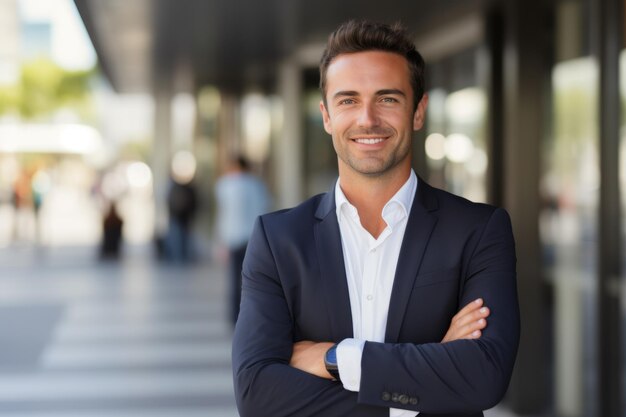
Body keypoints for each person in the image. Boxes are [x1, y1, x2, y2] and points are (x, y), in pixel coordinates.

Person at [232, 20, 519, 417]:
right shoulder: (277, 240)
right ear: (327, 115)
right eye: (348, 100)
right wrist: (425, 379)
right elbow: (256, 394)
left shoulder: (479, 231)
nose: (367, 119)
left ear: (418, 112)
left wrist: (337, 359)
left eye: (387, 99)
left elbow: (484, 376)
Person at [214, 155, 271, 326]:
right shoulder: (256, 185)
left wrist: (220, 240)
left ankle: (235, 317)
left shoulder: (224, 185)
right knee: (254, 280)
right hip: (254, 237)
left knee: (234, 280)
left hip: (233, 238)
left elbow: (222, 215)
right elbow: (264, 208)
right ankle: (252, 317)